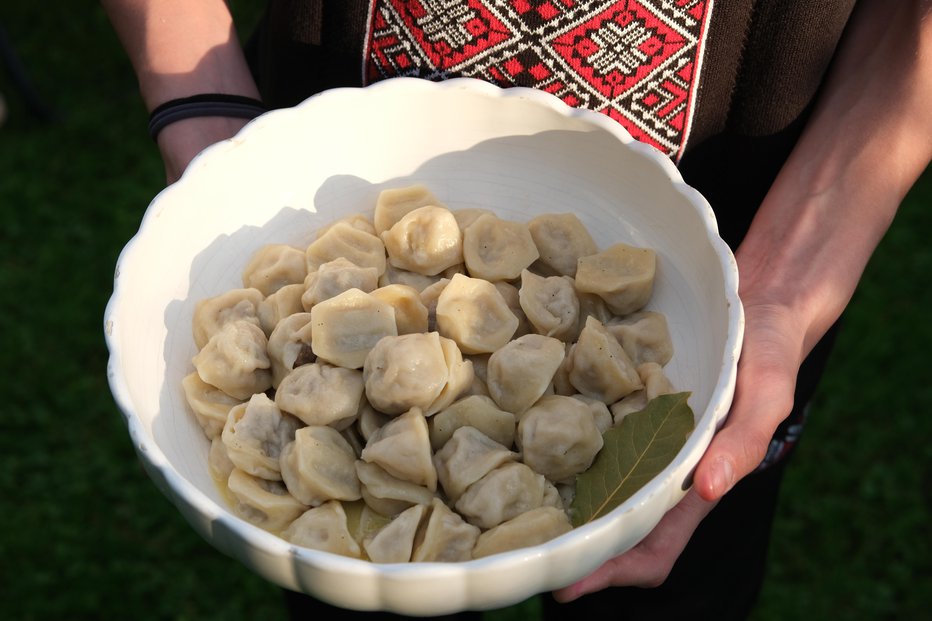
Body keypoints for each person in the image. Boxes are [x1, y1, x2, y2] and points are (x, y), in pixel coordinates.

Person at [101, 1, 932, 619]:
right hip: (330, 90)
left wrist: (786, 281)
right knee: (349, 590)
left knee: (681, 586)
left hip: (754, 215)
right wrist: (204, 102)